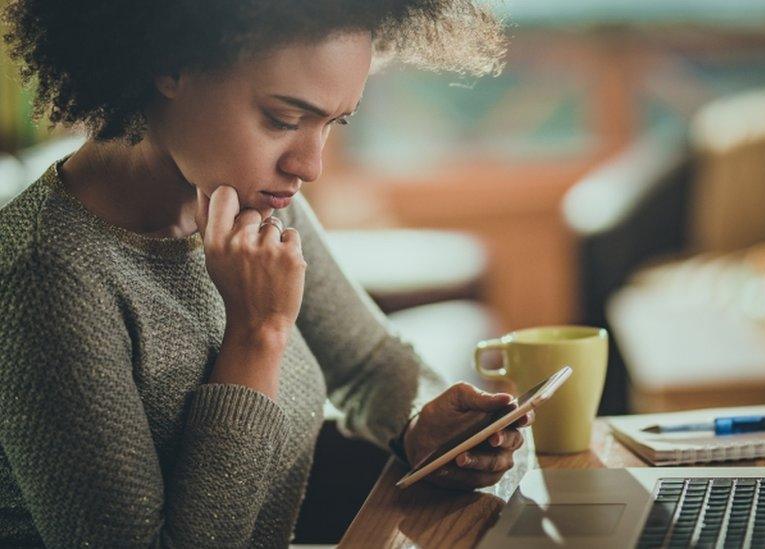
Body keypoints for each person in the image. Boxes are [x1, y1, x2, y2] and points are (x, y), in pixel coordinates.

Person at [0, 1, 530, 546]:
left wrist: (422, 423)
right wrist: (256, 334)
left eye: (332, 123)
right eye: (283, 119)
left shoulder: (247, 195)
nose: (310, 165)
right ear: (170, 65)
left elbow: (367, 362)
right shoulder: (46, 275)